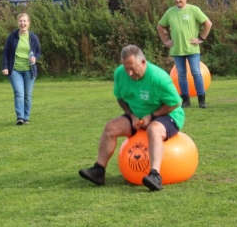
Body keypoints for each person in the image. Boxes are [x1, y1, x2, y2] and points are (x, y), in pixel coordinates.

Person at [79, 45, 185, 191]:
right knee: (111, 127)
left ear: (143, 62)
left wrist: (152, 116)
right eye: (126, 68)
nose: (129, 73)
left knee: (154, 130)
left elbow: (175, 103)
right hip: (138, 115)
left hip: (167, 114)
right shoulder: (120, 74)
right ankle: (98, 171)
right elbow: (120, 98)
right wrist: (131, 115)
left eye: (132, 68)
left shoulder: (158, 77)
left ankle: (155, 175)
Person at [157, 0, 212, 108]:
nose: (178, 0)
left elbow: (208, 23)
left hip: (192, 49)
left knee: (196, 73)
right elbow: (160, 26)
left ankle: (201, 100)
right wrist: (165, 41)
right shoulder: (170, 12)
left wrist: (201, 38)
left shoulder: (194, 10)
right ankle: (185, 100)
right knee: (181, 75)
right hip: (177, 50)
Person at [2, 12, 41, 125]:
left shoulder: (33, 37)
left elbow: (38, 51)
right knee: (19, 93)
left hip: (29, 70)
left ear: (28, 23)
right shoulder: (12, 37)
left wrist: (35, 58)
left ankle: (26, 117)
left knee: (27, 95)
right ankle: (20, 117)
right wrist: (5, 66)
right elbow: (6, 52)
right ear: (17, 22)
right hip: (15, 70)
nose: (22, 23)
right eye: (20, 21)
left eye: (24, 21)